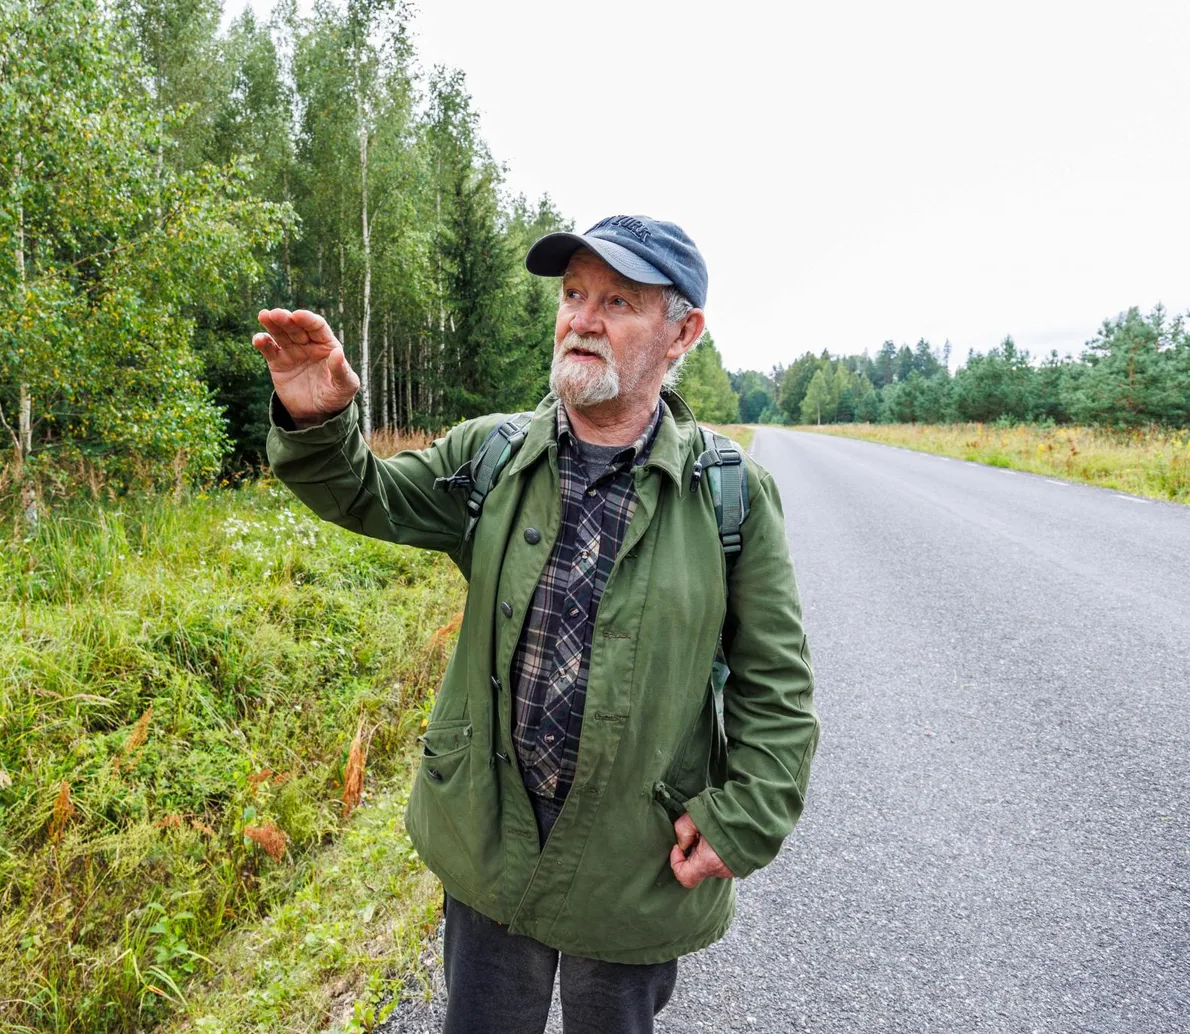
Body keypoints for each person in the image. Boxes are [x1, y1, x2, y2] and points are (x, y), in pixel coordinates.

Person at [253, 214, 819, 1034]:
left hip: (634, 858)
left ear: (681, 330)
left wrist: (745, 817)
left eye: (619, 302)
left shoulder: (728, 496)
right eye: (574, 294)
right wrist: (316, 421)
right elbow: (364, 492)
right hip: (491, 837)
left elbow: (778, 687)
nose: (582, 319)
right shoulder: (493, 453)